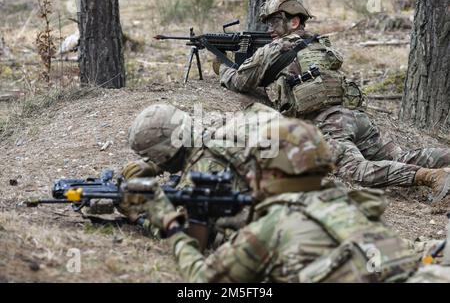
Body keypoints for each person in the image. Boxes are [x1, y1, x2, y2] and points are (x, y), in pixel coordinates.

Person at [121, 118, 429, 282]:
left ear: (271, 174)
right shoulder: (350, 202)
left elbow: (202, 281)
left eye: (256, 168)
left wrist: (171, 226)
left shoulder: (270, 229)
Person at [216, 0, 450, 204]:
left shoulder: (274, 49)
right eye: (267, 23)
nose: (269, 29)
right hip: (355, 119)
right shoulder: (319, 43)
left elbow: (239, 81)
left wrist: (221, 66)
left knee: (356, 170)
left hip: (329, 124)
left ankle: (430, 177)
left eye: (274, 22)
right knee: (401, 156)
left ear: (294, 21)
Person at [119, 102, 282, 248]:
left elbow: (187, 238)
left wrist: (138, 215)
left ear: (167, 154)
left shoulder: (200, 173)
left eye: (154, 157)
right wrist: (154, 166)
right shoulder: (222, 131)